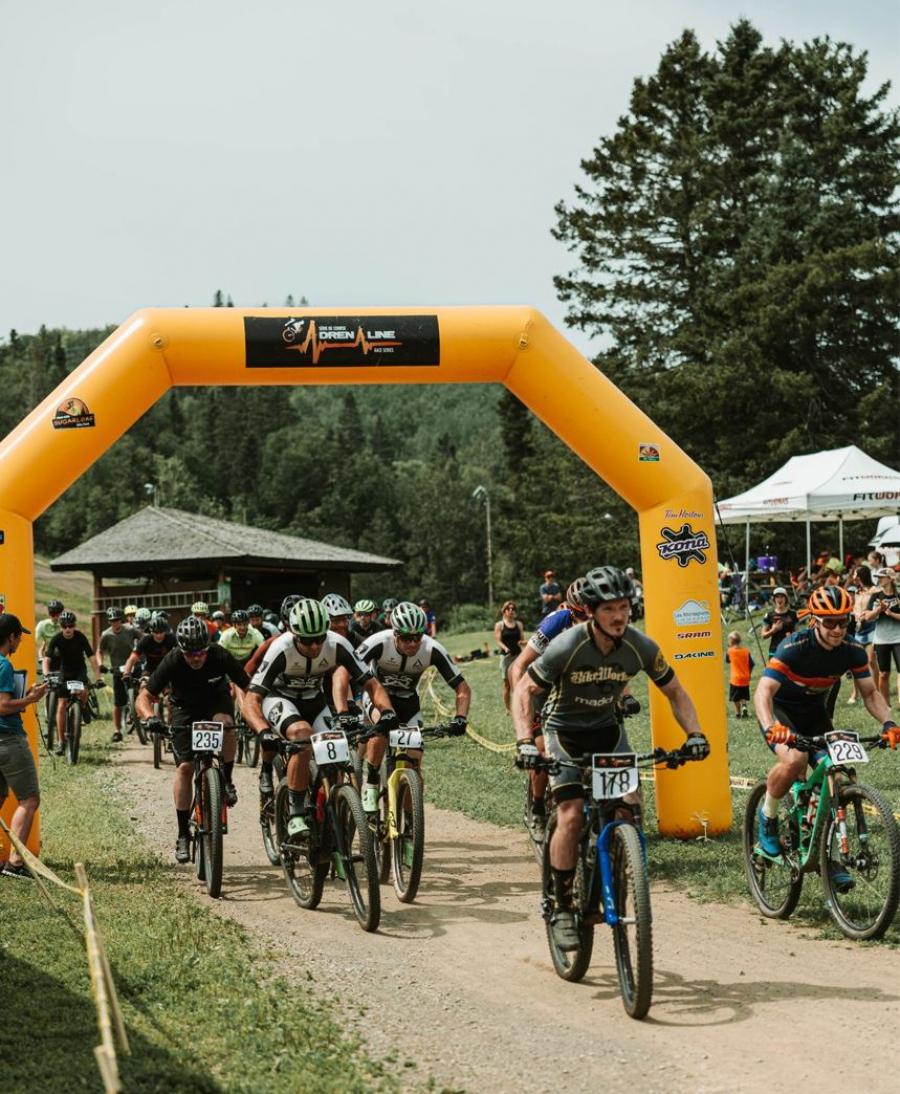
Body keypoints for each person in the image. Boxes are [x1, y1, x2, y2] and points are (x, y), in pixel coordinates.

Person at [512, 566, 708, 950]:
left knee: (628, 805)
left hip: (607, 731)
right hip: (563, 733)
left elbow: (676, 692)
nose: (619, 617)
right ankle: (564, 907)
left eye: (624, 607)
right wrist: (524, 740)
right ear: (591, 611)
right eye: (609, 610)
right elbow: (525, 689)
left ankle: (621, 865)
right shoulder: (567, 645)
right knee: (569, 813)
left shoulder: (640, 646)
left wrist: (696, 734)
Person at [753, 585, 898, 878]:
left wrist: (889, 723)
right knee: (794, 761)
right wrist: (771, 727)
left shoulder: (853, 651)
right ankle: (766, 819)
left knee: (837, 777)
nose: (837, 629)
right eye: (829, 622)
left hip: (814, 716)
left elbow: (870, 693)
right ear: (814, 621)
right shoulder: (793, 647)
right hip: (781, 713)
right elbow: (763, 692)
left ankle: (821, 853)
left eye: (843, 621)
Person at [242, 599, 396, 833]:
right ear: (294, 634)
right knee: (302, 737)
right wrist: (263, 731)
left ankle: (328, 810)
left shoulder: (337, 644)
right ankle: (295, 812)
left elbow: (371, 685)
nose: (315, 646)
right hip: (280, 697)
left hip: (314, 700)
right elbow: (252, 699)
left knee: (336, 749)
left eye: (319, 639)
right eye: (307, 640)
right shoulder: (280, 649)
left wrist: (386, 712)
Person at [338, 601, 470, 812]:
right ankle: (371, 783)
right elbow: (345, 671)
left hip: (408, 701)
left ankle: (410, 821)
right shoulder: (379, 642)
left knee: (414, 761)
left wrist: (460, 717)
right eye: (407, 638)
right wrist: (346, 705)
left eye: (417, 637)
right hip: (377, 697)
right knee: (381, 728)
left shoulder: (431, 648)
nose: (412, 643)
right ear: (395, 634)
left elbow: (462, 688)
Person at [137, 616, 250, 861]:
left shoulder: (220, 655)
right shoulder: (173, 660)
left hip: (215, 703)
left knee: (228, 726)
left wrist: (253, 714)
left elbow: (247, 686)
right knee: (185, 768)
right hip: (184, 710)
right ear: (181, 649)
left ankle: (227, 780)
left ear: (208, 648)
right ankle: (182, 834)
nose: (196, 658)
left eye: (200, 652)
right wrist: (150, 718)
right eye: (190, 653)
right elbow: (144, 697)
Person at [0, 614, 48, 878]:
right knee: (28, 799)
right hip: (7, 739)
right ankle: (15, 863)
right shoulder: (4, 665)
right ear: (11, 637)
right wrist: (31, 698)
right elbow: (3, 706)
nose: (19, 641)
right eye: (19, 636)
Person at [43, 611, 102, 756]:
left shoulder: (80, 637)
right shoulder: (56, 638)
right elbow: (47, 659)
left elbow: (92, 657)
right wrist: (46, 675)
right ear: (61, 626)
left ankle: (83, 707)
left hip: (79, 670)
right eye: (64, 626)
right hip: (65, 672)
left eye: (71, 625)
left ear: (75, 626)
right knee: (62, 704)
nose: (68, 629)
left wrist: (99, 677)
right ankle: (61, 741)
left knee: (83, 691)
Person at [97, 606, 138, 743]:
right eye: (111, 621)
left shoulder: (131, 630)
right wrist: (100, 664)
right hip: (117, 669)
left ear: (121, 620)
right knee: (118, 702)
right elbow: (100, 651)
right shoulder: (106, 634)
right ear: (109, 622)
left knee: (142, 692)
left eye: (117, 620)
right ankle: (117, 730)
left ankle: (145, 722)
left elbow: (144, 639)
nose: (114, 623)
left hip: (133, 666)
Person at [864, 569, 900, 708]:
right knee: (884, 674)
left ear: (890, 579)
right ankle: (886, 705)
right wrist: (879, 610)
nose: (879, 579)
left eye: (881, 577)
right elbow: (867, 617)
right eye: (878, 577)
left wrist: (890, 613)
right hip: (881, 639)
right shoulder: (875, 596)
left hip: (898, 638)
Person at [244, 595, 301, 676]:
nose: (255, 623)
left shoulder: (271, 628)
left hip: (270, 656)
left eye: (257, 619)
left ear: (262, 618)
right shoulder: (245, 629)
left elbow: (281, 644)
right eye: (252, 620)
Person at [849, 564, 879, 701]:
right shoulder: (857, 591)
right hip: (859, 629)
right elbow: (855, 607)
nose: (853, 577)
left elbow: (876, 609)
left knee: (871, 660)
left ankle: (876, 691)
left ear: (861, 576)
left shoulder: (875, 590)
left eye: (855, 574)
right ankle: (855, 693)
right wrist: (855, 614)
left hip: (872, 627)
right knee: (856, 663)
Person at [494, 600, 525, 712]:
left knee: (519, 682)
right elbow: (498, 640)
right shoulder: (499, 625)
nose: (511, 611)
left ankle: (519, 705)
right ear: (504, 611)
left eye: (513, 609)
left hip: (517, 656)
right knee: (507, 684)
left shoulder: (519, 624)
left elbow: (521, 639)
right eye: (508, 609)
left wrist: (524, 644)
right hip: (506, 657)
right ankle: (508, 708)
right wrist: (505, 648)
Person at [759, 588, 798, 657]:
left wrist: (792, 636)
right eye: (777, 597)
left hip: (789, 650)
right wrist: (773, 630)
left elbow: (797, 634)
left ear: (786, 599)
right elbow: (763, 635)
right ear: (774, 599)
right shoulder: (769, 615)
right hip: (774, 651)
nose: (779, 599)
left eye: (782, 596)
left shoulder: (793, 614)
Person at [725, 631, 754, 718]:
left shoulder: (730, 651)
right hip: (745, 678)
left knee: (735, 697)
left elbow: (727, 661)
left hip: (735, 679)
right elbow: (751, 664)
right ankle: (744, 705)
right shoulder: (746, 651)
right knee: (743, 694)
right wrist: (749, 674)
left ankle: (738, 713)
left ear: (730, 641)